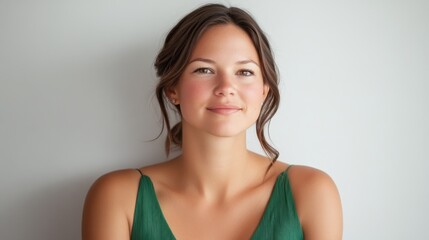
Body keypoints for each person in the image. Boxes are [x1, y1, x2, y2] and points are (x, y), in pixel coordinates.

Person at [82, 3, 342, 240]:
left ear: (264, 90)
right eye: (204, 70)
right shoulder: (116, 198)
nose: (226, 87)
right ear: (173, 88)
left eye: (244, 72)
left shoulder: (312, 193)